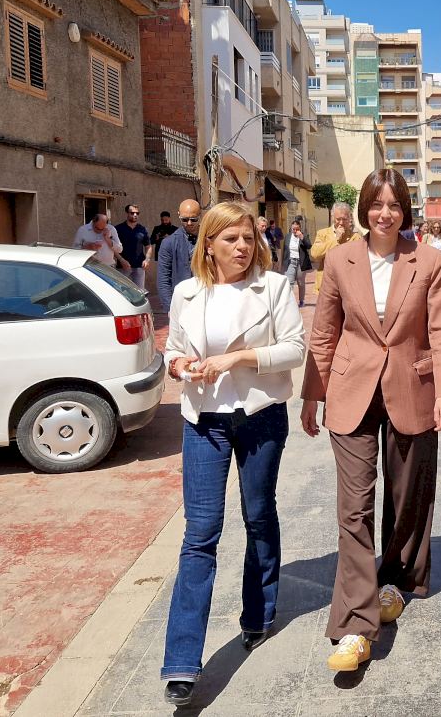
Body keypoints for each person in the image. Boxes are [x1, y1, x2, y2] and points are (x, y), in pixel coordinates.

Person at [300, 168, 441, 673]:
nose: (384, 213)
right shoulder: (339, 260)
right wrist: (311, 395)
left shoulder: (429, 260)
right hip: (351, 389)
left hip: (412, 386)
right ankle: (354, 625)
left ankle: (394, 579)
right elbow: (324, 332)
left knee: (408, 495)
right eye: (376, 204)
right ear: (364, 209)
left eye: (393, 205)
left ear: (405, 210)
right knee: (354, 509)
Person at [160, 203, 306, 707]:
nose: (242, 247)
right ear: (209, 245)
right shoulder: (187, 293)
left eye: (248, 238)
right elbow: (172, 350)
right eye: (230, 239)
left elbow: (294, 349)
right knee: (200, 533)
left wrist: (238, 358)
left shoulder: (275, 288)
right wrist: (181, 365)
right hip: (204, 421)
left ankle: (259, 613)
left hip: (260, 416)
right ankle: (182, 662)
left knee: (258, 514)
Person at [158, 200, 201, 310]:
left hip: (206, 299)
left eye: (194, 219)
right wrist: (169, 308)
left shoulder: (211, 239)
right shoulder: (169, 243)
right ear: (178, 215)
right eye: (184, 219)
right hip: (182, 303)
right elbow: (163, 278)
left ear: (200, 215)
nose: (189, 223)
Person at [309, 202, 354, 293]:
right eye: (338, 219)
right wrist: (335, 239)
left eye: (344, 219)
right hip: (326, 286)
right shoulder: (322, 234)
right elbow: (315, 254)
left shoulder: (355, 237)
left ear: (349, 218)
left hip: (348, 286)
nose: (341, 223)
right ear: (333, 217)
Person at [115, 204, 151, 289]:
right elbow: (113, 247)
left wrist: (147, 259)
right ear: (127, 213)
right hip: (123, 266)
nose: (135, 215)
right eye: (132, 213)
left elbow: (148, 246)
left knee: (139, 291)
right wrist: (121, 260)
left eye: (137, 213)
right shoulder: (118, 229)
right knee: (121, 291)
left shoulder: (142, 229)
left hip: (139, 266)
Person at [281, 219, 312, 307]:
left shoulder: (304, 236)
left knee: (300, 283)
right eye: (293, 229)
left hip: (301, 263)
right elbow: (285, 250)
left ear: (300, 229)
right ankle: (289, 302)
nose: (295, 231)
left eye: (297, 229)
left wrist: (302, 237)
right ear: (291, 229)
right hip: (290, 261)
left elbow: (309, 246)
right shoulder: (287, 236)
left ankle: (301, 300)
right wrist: (283, 263)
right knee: (289, 282)